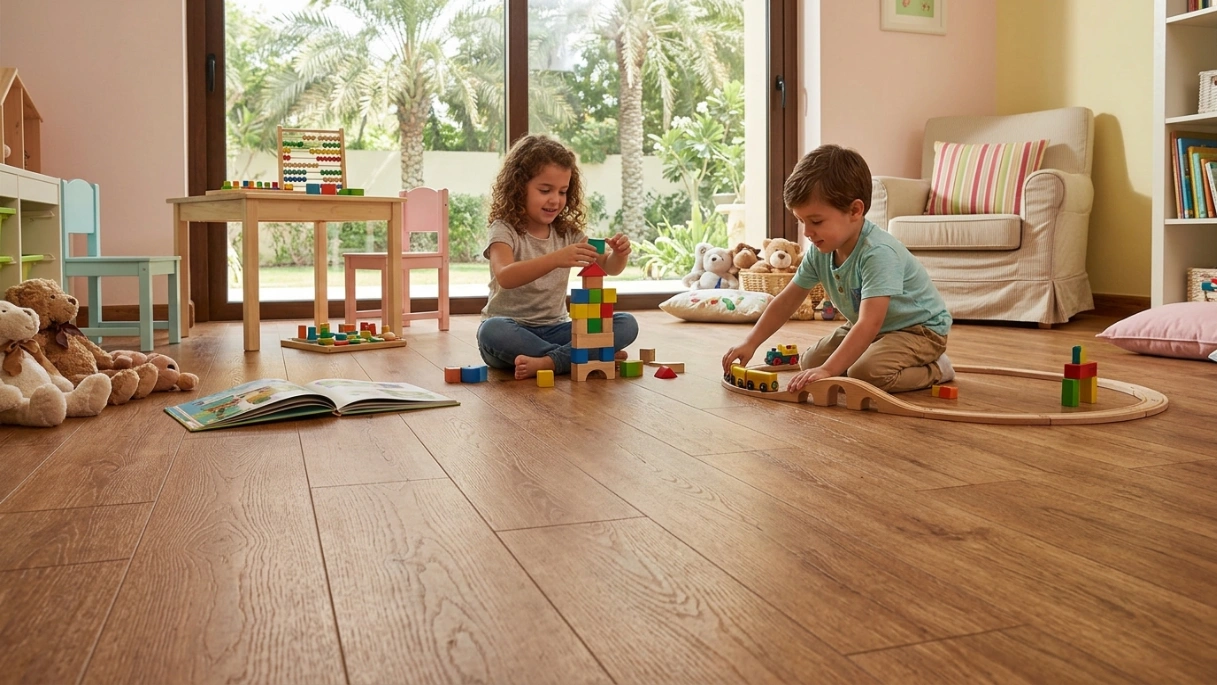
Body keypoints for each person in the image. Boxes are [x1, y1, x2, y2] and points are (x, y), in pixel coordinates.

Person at [722, 144, 953, 393]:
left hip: (918, 331)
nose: (807, 233)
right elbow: (786, 301)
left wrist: (830, 370)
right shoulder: (820, 251)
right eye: (801, 221)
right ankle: (863, 359)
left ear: (855, 210)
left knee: (865, 375)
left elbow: (869, 323)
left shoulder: (878, 253)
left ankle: (937, 368)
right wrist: (750, 342)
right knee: (810, 362)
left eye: (816, 221)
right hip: (871, 330)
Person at [477, 134, 639, 379]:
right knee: (492, 331)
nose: (555, 200)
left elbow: (607, 266)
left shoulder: (567, 233)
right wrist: (556, 258)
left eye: (563, 191)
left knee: (626, 323)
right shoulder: (504, 229)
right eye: (545, 190)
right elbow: (506, 276)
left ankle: (550, 361)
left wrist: (619, 253)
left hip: (557, 328)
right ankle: (587, 356)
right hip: (512, 329)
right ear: (519, 187)